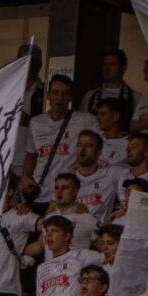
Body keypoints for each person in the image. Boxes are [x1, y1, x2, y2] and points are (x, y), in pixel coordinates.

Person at [20, 74, 98, 211]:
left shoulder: (85, 120)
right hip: (38, 193)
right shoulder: (36, 122)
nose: (60, 98)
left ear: (71, 97)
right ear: (48, 95)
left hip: (65, 196)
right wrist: (25, 176)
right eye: (55, 92)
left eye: (65, 93)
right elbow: (31, 155)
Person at [81, 49, 140, 128]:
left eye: (112, 64)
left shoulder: (135, 97)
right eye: (104, 64)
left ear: (123, 68)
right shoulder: (90, 96)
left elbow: (136, 126)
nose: (107, 68)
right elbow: (83, 124)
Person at [43, 173, 101, 250]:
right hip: (49, 261)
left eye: (64, 187)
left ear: (75, 192)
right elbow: (39, 246)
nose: (59, 191)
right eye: (56, 188)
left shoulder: (88, 219)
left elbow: (104, 248)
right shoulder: (49, 217)